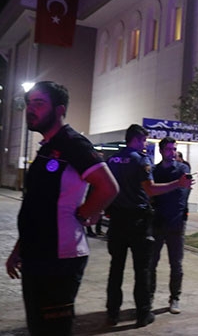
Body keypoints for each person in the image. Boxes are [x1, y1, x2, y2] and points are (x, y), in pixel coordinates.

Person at [5, 81, 119, 335]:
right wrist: (19, 248)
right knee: (38, 326)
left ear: (59, 110)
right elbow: (37, 206)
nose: (30, 109)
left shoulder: (73, 144)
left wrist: (84, 213)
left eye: (39, 104)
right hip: (36, 254)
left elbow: (108, 187)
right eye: (29, 103)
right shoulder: (47, 147)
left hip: (60, 257)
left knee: (54, 330)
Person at [105, 124, 193, 328]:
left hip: (118, 221)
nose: (145, 145)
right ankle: (143, 312)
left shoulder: (112, 160)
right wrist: (177, 184)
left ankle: (112, 313)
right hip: (138, 221)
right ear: (136, 139)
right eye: (144, 140)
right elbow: (150, 190)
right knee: (143, 268)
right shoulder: (141, 161)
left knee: (116, 268)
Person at [150, 137, 190, 315]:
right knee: (151, 263)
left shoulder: (182, 169)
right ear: (161, 151)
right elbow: (151, 191)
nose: (172, 153)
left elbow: (183, 194)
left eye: (174, 149)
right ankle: (149, 297)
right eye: (168, 149)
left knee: (176, 264)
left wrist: (181, 215)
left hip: (176, 222)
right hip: (157, 221)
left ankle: (175, 298)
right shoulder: (154, 170)